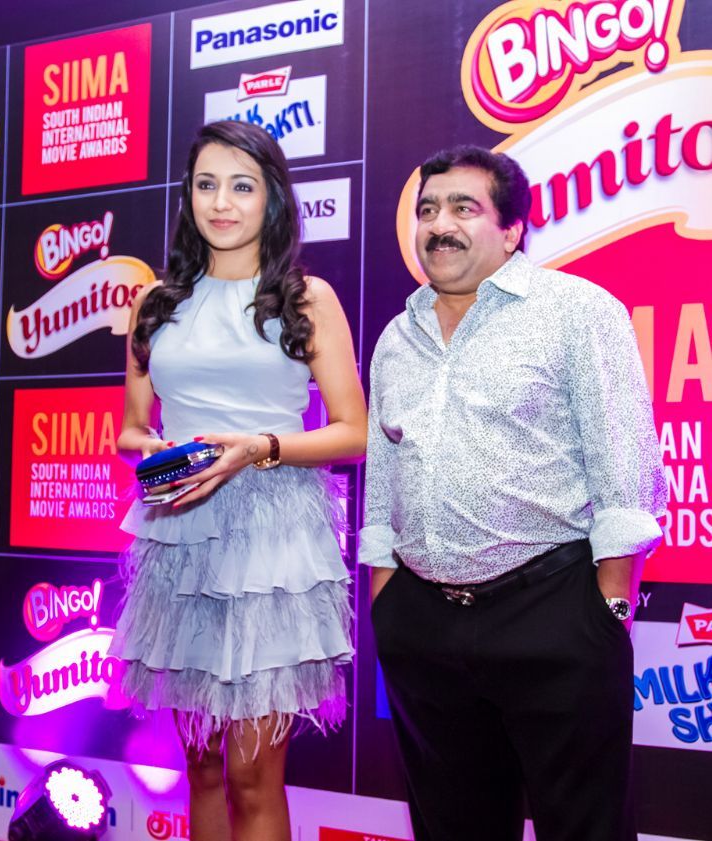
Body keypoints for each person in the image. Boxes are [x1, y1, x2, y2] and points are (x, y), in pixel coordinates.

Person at [360, 145, 667, 841]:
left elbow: (626, 471)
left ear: (512, 229)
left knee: (584, 829)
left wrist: (608, 608)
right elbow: (383, 481)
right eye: (428, 210)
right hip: (422, 625)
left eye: (463, 208)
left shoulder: (577, 311)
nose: (440, 225)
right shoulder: (396, 338)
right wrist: (387, 600)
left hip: (552, 612)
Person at [110, 120, 367, 841]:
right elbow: (129, 429)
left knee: (254, 777)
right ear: (188, 196)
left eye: (242, 186)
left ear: (272, 198)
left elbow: (353, 431)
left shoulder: (305, 298)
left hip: (271, 540)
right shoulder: (155, 303)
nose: (221, 202)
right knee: (201, 766)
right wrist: (162, 452)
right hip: (180, 530)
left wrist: (257, 448)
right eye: (206, 184)